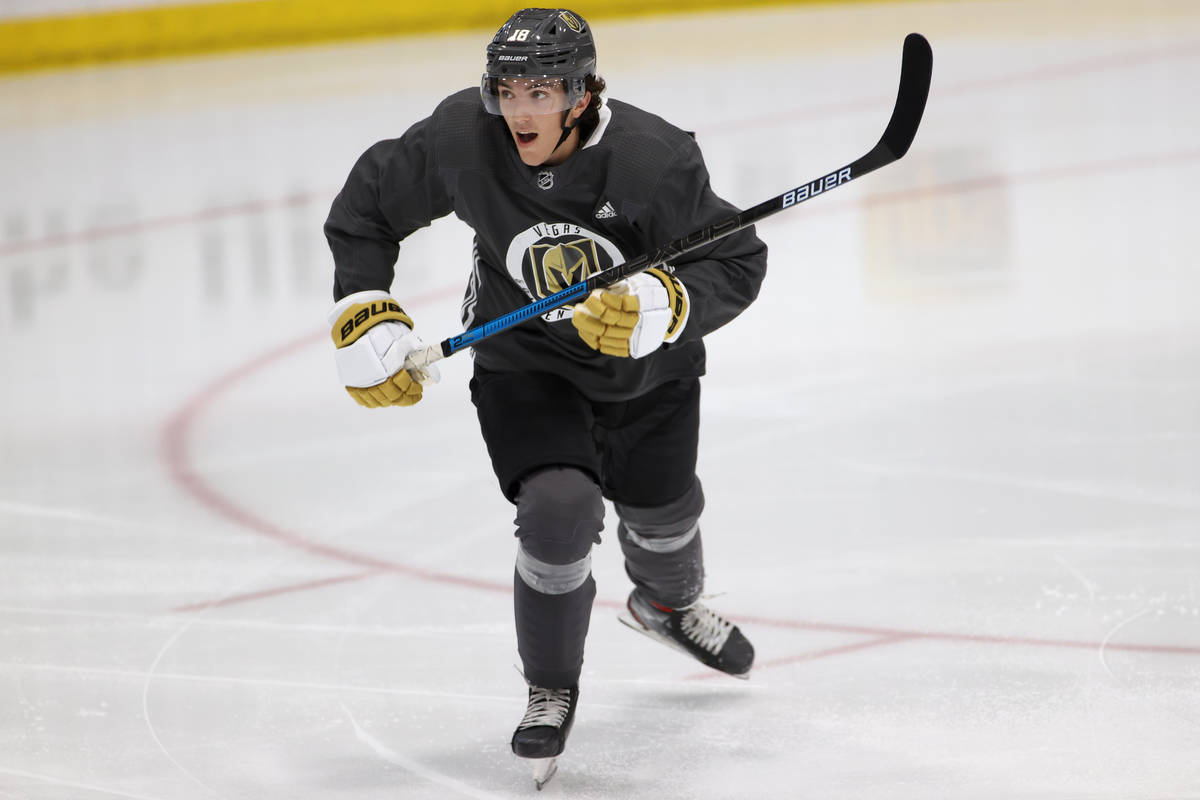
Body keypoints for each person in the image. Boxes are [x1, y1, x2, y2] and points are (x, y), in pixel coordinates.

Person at [323, 6, 767, 778]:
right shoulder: (464, 139)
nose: (520, 111)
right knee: (558, 513)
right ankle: (550, 688)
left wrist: (663, 307)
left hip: (646, 369)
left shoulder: (651, 159)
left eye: (541, 92)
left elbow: (735, 261)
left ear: (584, 93)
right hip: (524, 361)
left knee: (664, 514)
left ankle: (666, 604)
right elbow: (366, 206)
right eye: (507, 91)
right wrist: (365, 309)